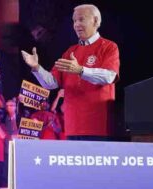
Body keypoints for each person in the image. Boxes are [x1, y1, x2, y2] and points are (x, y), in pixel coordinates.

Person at [21, 4, 120, 140]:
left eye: (81, 19)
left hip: (99, 126)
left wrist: (80, 70)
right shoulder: (70, 52)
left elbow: (109, 76)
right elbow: (51, 83)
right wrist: (37, 68)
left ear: (96, 21)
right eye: (74, 21)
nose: (76, 25)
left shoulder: (109, 47)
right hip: (72, 127)